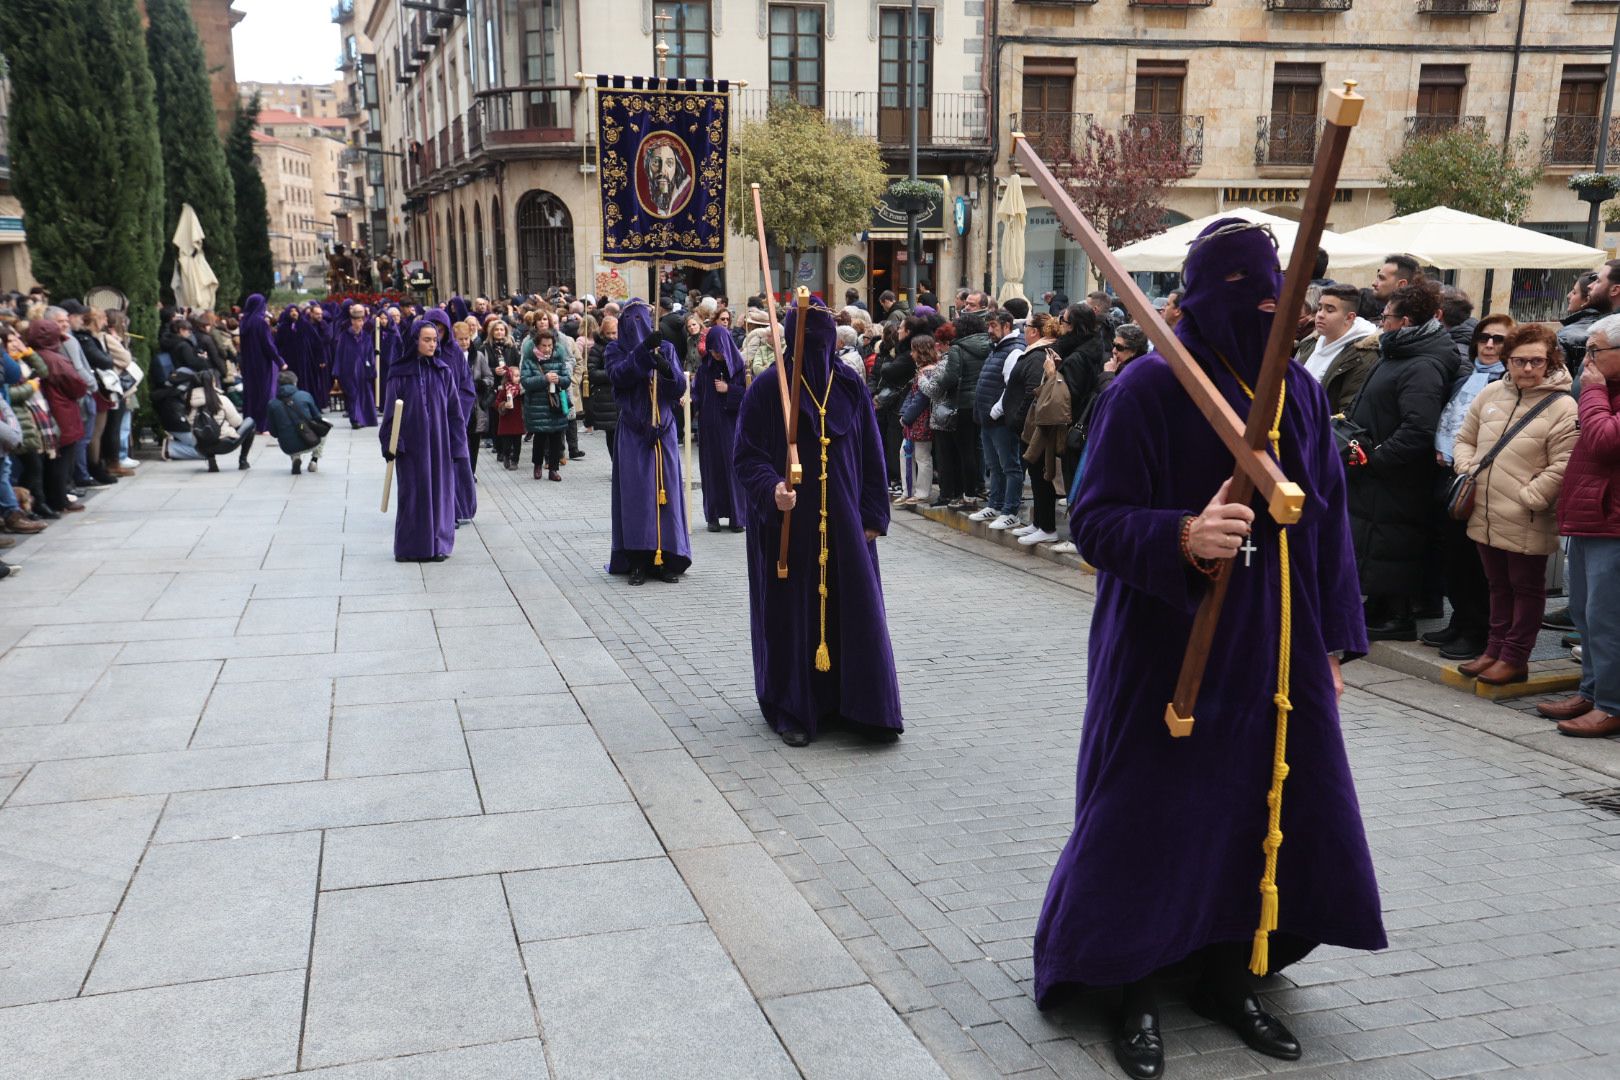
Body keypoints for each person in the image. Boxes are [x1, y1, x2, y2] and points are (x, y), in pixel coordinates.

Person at [1035, 218, 1384, 1080]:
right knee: (1149, 813)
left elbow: (1330, 529)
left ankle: (1230, 974)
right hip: (1166, 642)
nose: (1271, 319)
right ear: (1204, 300)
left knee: (1254, 807)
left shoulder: (1299, 394)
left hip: (1277, 647)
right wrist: (1183, 532)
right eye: (1251, 302)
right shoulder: (1149, 389)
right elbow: (1095, 519)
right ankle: (1134, 983)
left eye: (1280, 303)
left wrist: (1334, 647)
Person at [732, 300, 902, 747]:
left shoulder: (848, 385)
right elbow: (746, 456)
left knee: (855, 610)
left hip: (847, 525)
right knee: (792, 616)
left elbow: (872, 453)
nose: (820, 349)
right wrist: (772, 489)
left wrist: (874, 514)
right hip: (789, 530)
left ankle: (860, 706)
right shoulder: (770, 389)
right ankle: (793, 707)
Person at [1448, 323, 1579, 686]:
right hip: (1484, 509)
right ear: (1508, 360)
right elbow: (1464, 438)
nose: (1527, 368)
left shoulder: (1563, 404)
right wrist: (1468, 467)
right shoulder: (1490, 394)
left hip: (1527, 514)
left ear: (1550, 360)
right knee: (1496, 585)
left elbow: (1564, 463)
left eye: (1537, 360)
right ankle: (1493, 649)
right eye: (1520, 360)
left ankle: (1515, 656)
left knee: (1526, 587)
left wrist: (1532, 496)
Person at [1346, 278, 1454, 641]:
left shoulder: (1421, 364)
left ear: (1405, 322)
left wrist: (1376, 458)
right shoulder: (1396, 352)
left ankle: (1397, 615)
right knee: (1375, 540)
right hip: (1376, 469)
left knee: (1392, 541)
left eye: (1386, 316)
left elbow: (1418, 429)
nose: (1381, 322)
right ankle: (1378, 605)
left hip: (1396, 474)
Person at [1540, 312, 1620, 736]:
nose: (1586, 360)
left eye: (1595, 351)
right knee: (1586, 616)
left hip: (1613, 523)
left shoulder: (1599, 390)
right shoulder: (1605, 386)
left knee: (1608, 618)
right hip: (1593, 517)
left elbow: (1605, 441)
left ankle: (1611, 704)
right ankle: (1591, 691)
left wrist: (1591, 392)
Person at [1426, 314, 1514, 661]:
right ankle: (1460, 621)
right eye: (1484, 338)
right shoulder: (1467, 375)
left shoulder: (1509, 384)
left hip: (1483, 480)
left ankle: (1477, 630)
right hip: (1450, 474)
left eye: (1499, 339)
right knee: (1452, 556)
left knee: (1477, 563)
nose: (1490, 345)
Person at [605, 300, 690, 584]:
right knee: (637, 497)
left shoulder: (665, 347)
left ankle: (665, 557)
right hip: (633, 431)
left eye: (642, 319)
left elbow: (678, 386)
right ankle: (638, 560)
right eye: (631, 321)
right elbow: (619, 377)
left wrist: (666, 368)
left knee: (665, 495)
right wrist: (642, 353)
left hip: (663, 431)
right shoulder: (615, 350)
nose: (637, 326)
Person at [381, 319, 467, 562]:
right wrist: (390, 443)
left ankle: (438, 545)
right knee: (413, 494)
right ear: (415, 341)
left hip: (440, 444)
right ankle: (412, 546)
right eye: (426, 340)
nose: (432, 344)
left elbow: (454, 413)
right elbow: (389, 414)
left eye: (434, 340)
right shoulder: (399, 373)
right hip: (411, 445)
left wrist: (458, 446)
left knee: (440, 492)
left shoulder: (443, 372)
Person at [969, 308, 1027, 530]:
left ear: (1006, 326)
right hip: (988, 419)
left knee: (1010, 466)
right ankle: (995, 504)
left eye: (994, 326)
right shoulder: (997, 349)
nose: (989, 330)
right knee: (994, 465)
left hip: (1000, 420)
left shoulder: (1012, 351)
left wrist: (996, 410)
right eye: (989, 326)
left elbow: (1011, 386)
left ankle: (1010, 510)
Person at [934, 311, 991, 510]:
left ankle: (968, 496)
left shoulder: (958, 348)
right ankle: (977, 489)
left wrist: (935, 381)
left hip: (964, 404)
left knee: (965, 452)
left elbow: (950, 377)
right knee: (979, 450)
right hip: (984, 402)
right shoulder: (989, 344)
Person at [1292, 283, 1377, 415]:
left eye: (1329, 310)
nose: (1320, 315)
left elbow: (1348, 412)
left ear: (1349, 317)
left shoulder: (1362, 355)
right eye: (1320, 308)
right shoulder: (1310, 343)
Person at [694, 324, 746, 531]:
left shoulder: (740, 368)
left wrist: (730, 389)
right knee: (712, 471)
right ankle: (713, 516)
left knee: (733, 471)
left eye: (719, 351)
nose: (716, 355)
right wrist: (689, 399)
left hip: (731, 427)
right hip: (709, 428)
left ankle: (737, 517)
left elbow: (749, 395)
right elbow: (697, 392)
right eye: (713, 351)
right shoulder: (705, 368)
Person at [520, 326, 571, 481]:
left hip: (555, 404)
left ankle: (553, 469)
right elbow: (526, 381)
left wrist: (560, 380)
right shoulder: (530, 361)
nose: (547, 349)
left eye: (550, 345)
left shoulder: (559, 359)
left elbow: (567, 379)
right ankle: (537, 465)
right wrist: (544, 379)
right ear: (537, 345)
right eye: (544, 345)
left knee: (556, 437)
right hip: (538, 405)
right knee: (540, 437)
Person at [187, 370, 257, 473]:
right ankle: (243, 461)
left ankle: (211, 461)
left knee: (205, 433)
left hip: (201, 447)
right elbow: (237, 423)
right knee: (250, 422)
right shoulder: (221, 400)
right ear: (212, 383)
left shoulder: (188, 403)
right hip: (224, 444)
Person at [266, 369, 327, 475]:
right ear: (295, 382)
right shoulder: (305, 395)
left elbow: (273, 432)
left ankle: (295, 457)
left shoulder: (272, 404)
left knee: (287, 428)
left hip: (287, 446)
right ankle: (314, 460)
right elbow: (317, 417)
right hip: (310, 441)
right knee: (325, 423)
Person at [333, 304, 379, 429]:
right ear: (352, 321)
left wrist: (372, 369)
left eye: (361, 320)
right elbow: (339, 354)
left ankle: (366, 418)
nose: (360, 323)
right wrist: (336, 371)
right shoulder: (344, 336)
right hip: (347, 371)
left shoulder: (366, 337)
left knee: (365, 395)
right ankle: (354, 420)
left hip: (363, 370)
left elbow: (370, 354)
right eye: (357, 320)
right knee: (352, 395)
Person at [587, 315, 620, 462]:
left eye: (615, 332)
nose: (612, 336)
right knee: (612, 434)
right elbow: (593, 372)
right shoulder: (598, 349)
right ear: (603, 333)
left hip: (620, 395)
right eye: (609, 333)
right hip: (607, 397)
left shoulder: (624, 346)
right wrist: (615, 373)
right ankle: (616, 464)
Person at [491, 363, 526, 469]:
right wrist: (504, 405)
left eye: (519, 375)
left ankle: (515, 460)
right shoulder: (504, 389)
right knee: (506, 443)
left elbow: (525, 401)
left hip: (517, 420)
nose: (518, 378)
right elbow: (496, 403)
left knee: (517, 444)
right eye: (516, 376)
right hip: (506, 420)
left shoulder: (521, 390)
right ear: (510, 376)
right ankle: (506, 456)